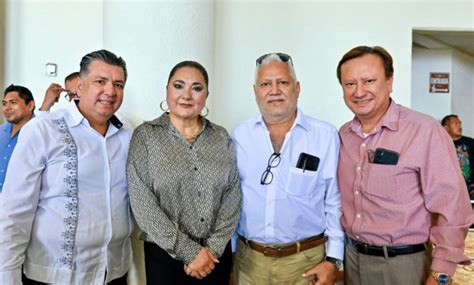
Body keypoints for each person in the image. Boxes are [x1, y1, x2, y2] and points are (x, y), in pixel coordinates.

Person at [336, 45, 472, 285]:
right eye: (350, 84)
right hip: (352, 260)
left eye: (369, 81)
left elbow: (452, 205)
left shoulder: (424, 131)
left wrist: (441, 272)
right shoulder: (344, 135)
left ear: (389, 81)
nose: (359, 91)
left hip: (404, 265)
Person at [0, 49, 133, 284]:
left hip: (112, 272)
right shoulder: (43, 129)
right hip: (54, 275)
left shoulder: (127, 136)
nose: (110, 91)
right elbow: (14, 209)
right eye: (100, 81)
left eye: (118, 84)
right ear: (79, 87)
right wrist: (8, 276)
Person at [231, 53, 344, 285]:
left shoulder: (325, 136)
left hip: (306, 262)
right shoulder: (239, 136)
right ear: (255, 91)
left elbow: (335, 201)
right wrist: (231, 256)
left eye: (282, 82)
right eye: (265, 84)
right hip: (250, 262)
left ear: (297, 88)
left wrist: (334, 260)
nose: (274, 90)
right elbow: (230, 199)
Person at [126, 60, 241, 285]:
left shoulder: (220, 137)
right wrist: (190, 252)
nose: (186, 95)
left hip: (214, 258)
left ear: (206, 95)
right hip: (164, 255)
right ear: (167, 90)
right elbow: (142, 203)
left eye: (196, 88)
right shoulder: (146, 136)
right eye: (178, 86)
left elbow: (232, 195)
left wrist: (212, 251)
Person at [0, 84, 35, 192]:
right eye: (4, 104)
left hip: (23, 203)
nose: (7, 108)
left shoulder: (40, 133)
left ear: (30, 105)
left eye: (13, 103)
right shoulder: (1, 131)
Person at [442, 114, 474, 199]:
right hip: (449, 190)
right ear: (446, 128)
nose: (459, 126)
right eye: (455, 124)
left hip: (471, 188)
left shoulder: (470, 143)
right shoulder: (440, 145)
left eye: (460, 123)